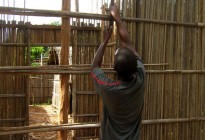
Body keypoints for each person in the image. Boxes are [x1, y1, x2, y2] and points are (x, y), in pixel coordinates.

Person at [91, 5, 146, 140]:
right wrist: (117, 18)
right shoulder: (141, 77)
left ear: (114, 69)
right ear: (135, 67)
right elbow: (128, 44)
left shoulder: (109, 88)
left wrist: (104, 41)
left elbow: (94, 67)